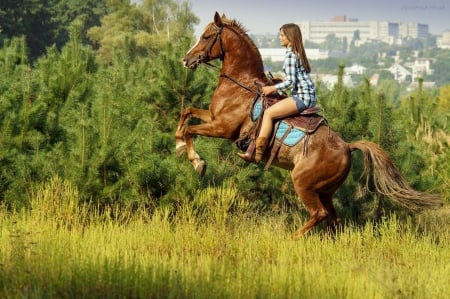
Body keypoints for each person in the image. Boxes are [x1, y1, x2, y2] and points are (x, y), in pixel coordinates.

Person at [255, 23, 317, 163]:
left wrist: (271, 88)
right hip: (308, 96)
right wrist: (280, 83)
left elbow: (290, 82)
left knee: (268, 114)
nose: (280, 38)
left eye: (282, 35)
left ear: (290, 37)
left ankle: (258, 153)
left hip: (301, 97)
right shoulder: (297, 53)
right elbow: (295, 79)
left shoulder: (290, 55)